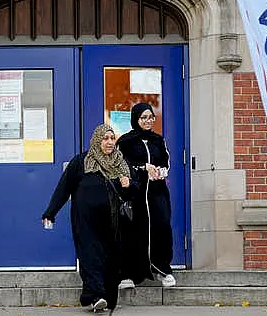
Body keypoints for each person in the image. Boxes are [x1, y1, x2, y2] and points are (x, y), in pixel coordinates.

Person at [42, 124, 137, 312]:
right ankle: (97, 295)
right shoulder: (81, 161)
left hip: (113, 221)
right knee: (90, 256)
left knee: (110, 260)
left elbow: (133, 191)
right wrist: (50, 212)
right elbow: (64, 188)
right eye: (105, 138)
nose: (110, 142)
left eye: (112, 138)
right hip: (85, 219)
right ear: (97, 140)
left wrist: (129, 185)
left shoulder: (120, 162)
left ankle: (101, 296)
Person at [116, 102, 176, 288]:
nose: (148, 121)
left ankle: (162, 269)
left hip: (157, 193)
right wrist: (143, 168)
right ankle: (130, 274)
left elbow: (166, 163)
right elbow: (121, 166)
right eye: (144, 118)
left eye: (151, 117)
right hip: (136, 193)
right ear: (136, 119)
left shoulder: (158, 140)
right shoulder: (125, 142)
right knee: (134, 230)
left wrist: (160, 171)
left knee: (162, 226)